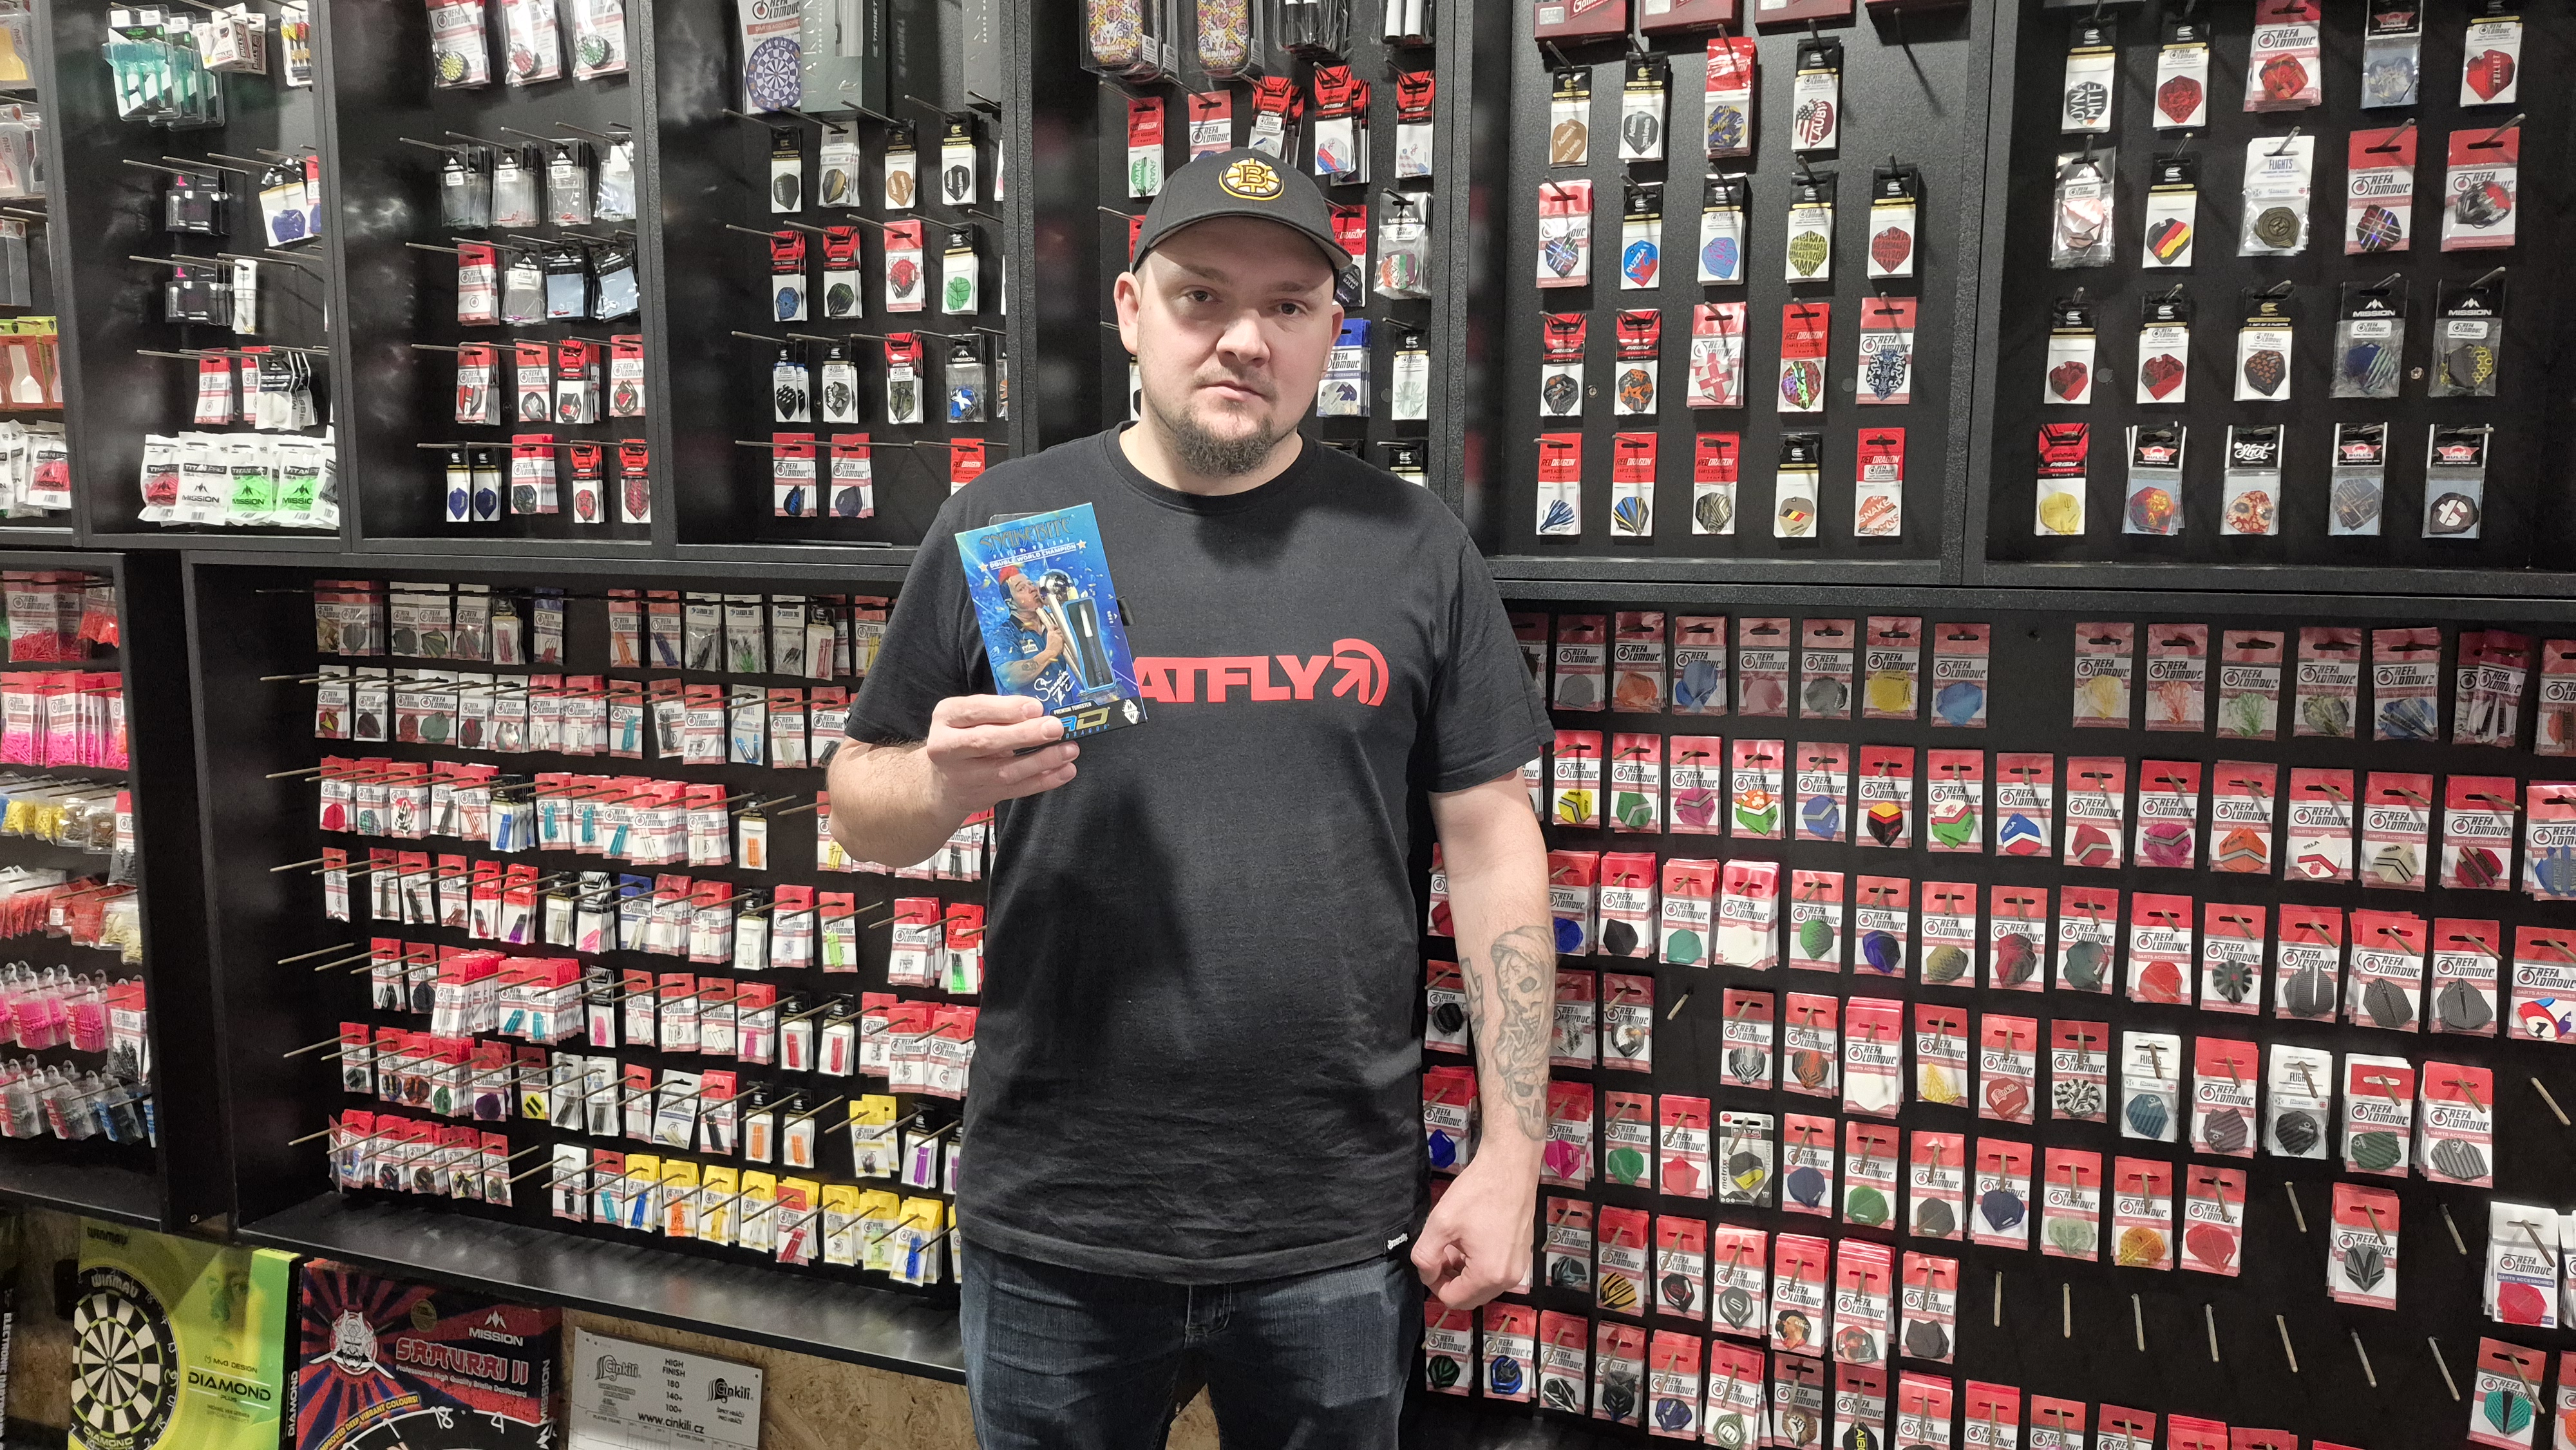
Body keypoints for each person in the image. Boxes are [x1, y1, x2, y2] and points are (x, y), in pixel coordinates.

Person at [828, 147, 1553, 1449]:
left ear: (1332, 332)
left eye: (1288, 305)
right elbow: (856, 808)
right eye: (1200, 295)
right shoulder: (1007, 523)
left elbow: (1494, 846)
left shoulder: (1414, 544)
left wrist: (1510, 1159)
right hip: (1058, 1214)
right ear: (1129, 308)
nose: (1244, 339)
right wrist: (934, 782)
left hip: (1330, 1221)